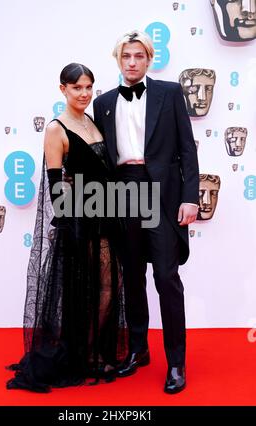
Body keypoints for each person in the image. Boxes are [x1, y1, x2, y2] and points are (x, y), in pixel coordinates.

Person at [6, 63, 128, 392]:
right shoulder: (55, 130)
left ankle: (85, 350)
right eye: (77, 88)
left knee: (106, 286)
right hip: (80, 221)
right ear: (63, 89)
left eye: (89, 87)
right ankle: (84, 354)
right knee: (97, 288)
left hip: (105, 214)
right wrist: (69, 224)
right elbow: (54, 183)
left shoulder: (90, 119)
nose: (84, 94)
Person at [93, 31, 199, 394]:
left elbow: (187, 149)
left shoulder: (170, 93)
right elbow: (104, 159)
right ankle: (138, 349)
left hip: (162, 193)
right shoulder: (103, 102)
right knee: (132, 275)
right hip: (123, 190)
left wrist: (189, 197)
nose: (133, 62)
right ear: (118, 59)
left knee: (166, 278)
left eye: (139, 56)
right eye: (126, 56)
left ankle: (176, 363)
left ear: (149, 59)